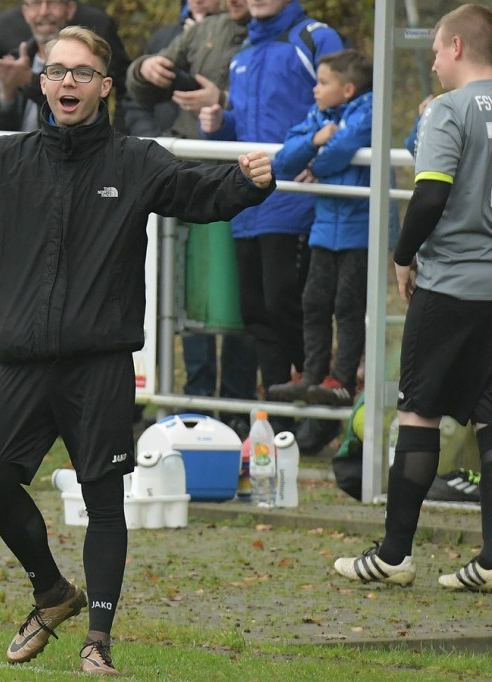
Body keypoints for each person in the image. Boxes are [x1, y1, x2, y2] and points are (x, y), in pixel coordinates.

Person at [0, 26, 275, 674]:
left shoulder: (136, 161)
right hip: (22, 360)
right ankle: (53, 591)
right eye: (57, 71)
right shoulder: (7, 160)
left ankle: (99, 640)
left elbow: (199, 193)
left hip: (99, 363)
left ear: (105, 87)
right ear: (42, 82)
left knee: (104, 500)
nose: (68, 82)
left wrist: (247, 182)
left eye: (82, 73)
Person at [333, 3, 492, 590]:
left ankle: (394, 554)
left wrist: (403, 257)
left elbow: (430, 195)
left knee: (417, 412)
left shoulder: (448, 109)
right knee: (489, 419)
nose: (432, 63)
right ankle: (491, 562)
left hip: (451, 284)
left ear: (457, 47)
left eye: (436, 50)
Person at [198, 0, 344, 435]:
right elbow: (245, 129)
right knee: (256, 312)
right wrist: (219, 124)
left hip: (296, 203)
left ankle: (324, 405)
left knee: (286, 305)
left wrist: (322, 156)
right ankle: (281, 420)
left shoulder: (315, 37)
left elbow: (350, 102)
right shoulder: (243, 52)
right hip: (249, 203)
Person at [126, 0, 255, 435]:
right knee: (188, 297)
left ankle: (239, 404)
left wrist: (223, 102)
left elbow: (290, 107)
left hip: (245, 179)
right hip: (191, 179)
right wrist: (145, 70)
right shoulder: (204, 30)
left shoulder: (299, 37)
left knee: (242, 296)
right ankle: (196, 401)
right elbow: (141, 88)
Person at [269, 50, 373, 408]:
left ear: (347, 89)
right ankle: (312, 376)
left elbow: (344, 146)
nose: (315, 89)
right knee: (313, 302)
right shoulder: (319, 116)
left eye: (323, 82)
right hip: (325, 227)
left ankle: (342, 381)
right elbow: (285, 160)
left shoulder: (369, 109)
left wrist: (316, 163)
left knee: (348, 306)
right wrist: (315, 141)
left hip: (360, 229)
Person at [0, 0, 130, 132]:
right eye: (36, 3)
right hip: (18, 154)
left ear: (70, 9)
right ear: (25, 12)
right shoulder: (10, 39)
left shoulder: (97, 29)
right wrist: (7, 93)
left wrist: (120, 133)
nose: (43, 12)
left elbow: (125, 84)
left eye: (53, 3)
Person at [121, 0, 226, 138]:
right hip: (164, 140)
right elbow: (136, 103)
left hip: (217, 143)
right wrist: (151, 139)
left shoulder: (242, 35)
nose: (198, 1)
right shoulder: (165, 36)